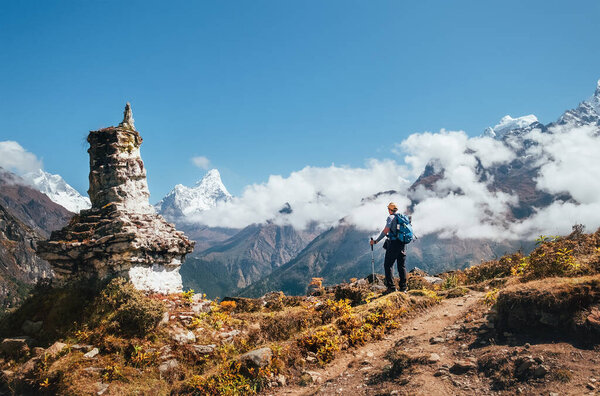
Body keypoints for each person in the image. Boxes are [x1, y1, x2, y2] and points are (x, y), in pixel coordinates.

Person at [370, 202, 408, 293]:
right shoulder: (401, 217)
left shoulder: (390, 217)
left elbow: (386, 230)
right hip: (402, 243)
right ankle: (403, 288)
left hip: (394, 243)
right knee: (401, 266)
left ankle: (391, 288)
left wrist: (376, 241)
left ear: (390, 210)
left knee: (388, 265)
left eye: (388, 209)